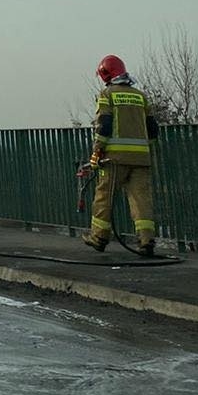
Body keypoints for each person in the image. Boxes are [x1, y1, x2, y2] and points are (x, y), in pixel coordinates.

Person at [82, 54, 161, 255]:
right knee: (141, 200)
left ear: (105, 74)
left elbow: (104, 127)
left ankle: (99, 237)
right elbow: (153, 130)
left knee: (104, 198)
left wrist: (96, 152)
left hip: (114, 160)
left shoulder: (107, 95)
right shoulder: (140, 96)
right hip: (141, 160)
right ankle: (146, 242)